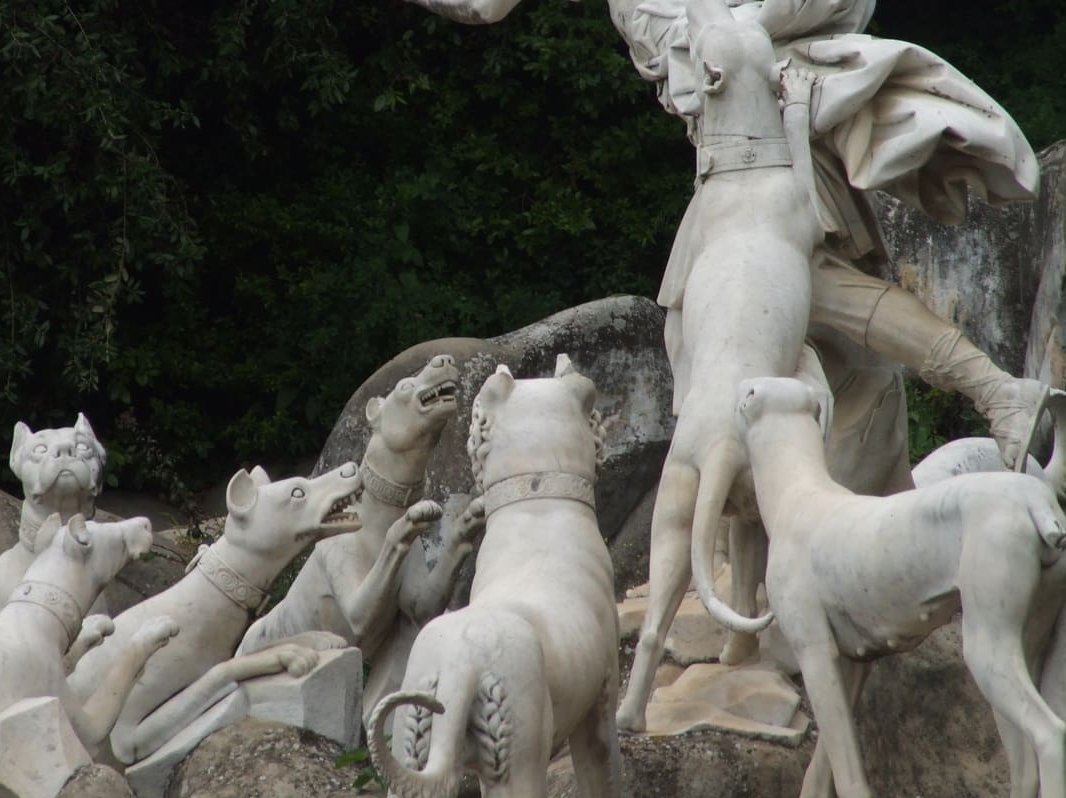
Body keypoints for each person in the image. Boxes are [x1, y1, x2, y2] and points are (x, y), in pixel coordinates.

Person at [402, 0, 1049, 464]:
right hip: (723, 153)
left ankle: (997, 393)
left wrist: (742, 36)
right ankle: (795, 518)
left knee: (794, 295)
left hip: (776, 130)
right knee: (714, 328)